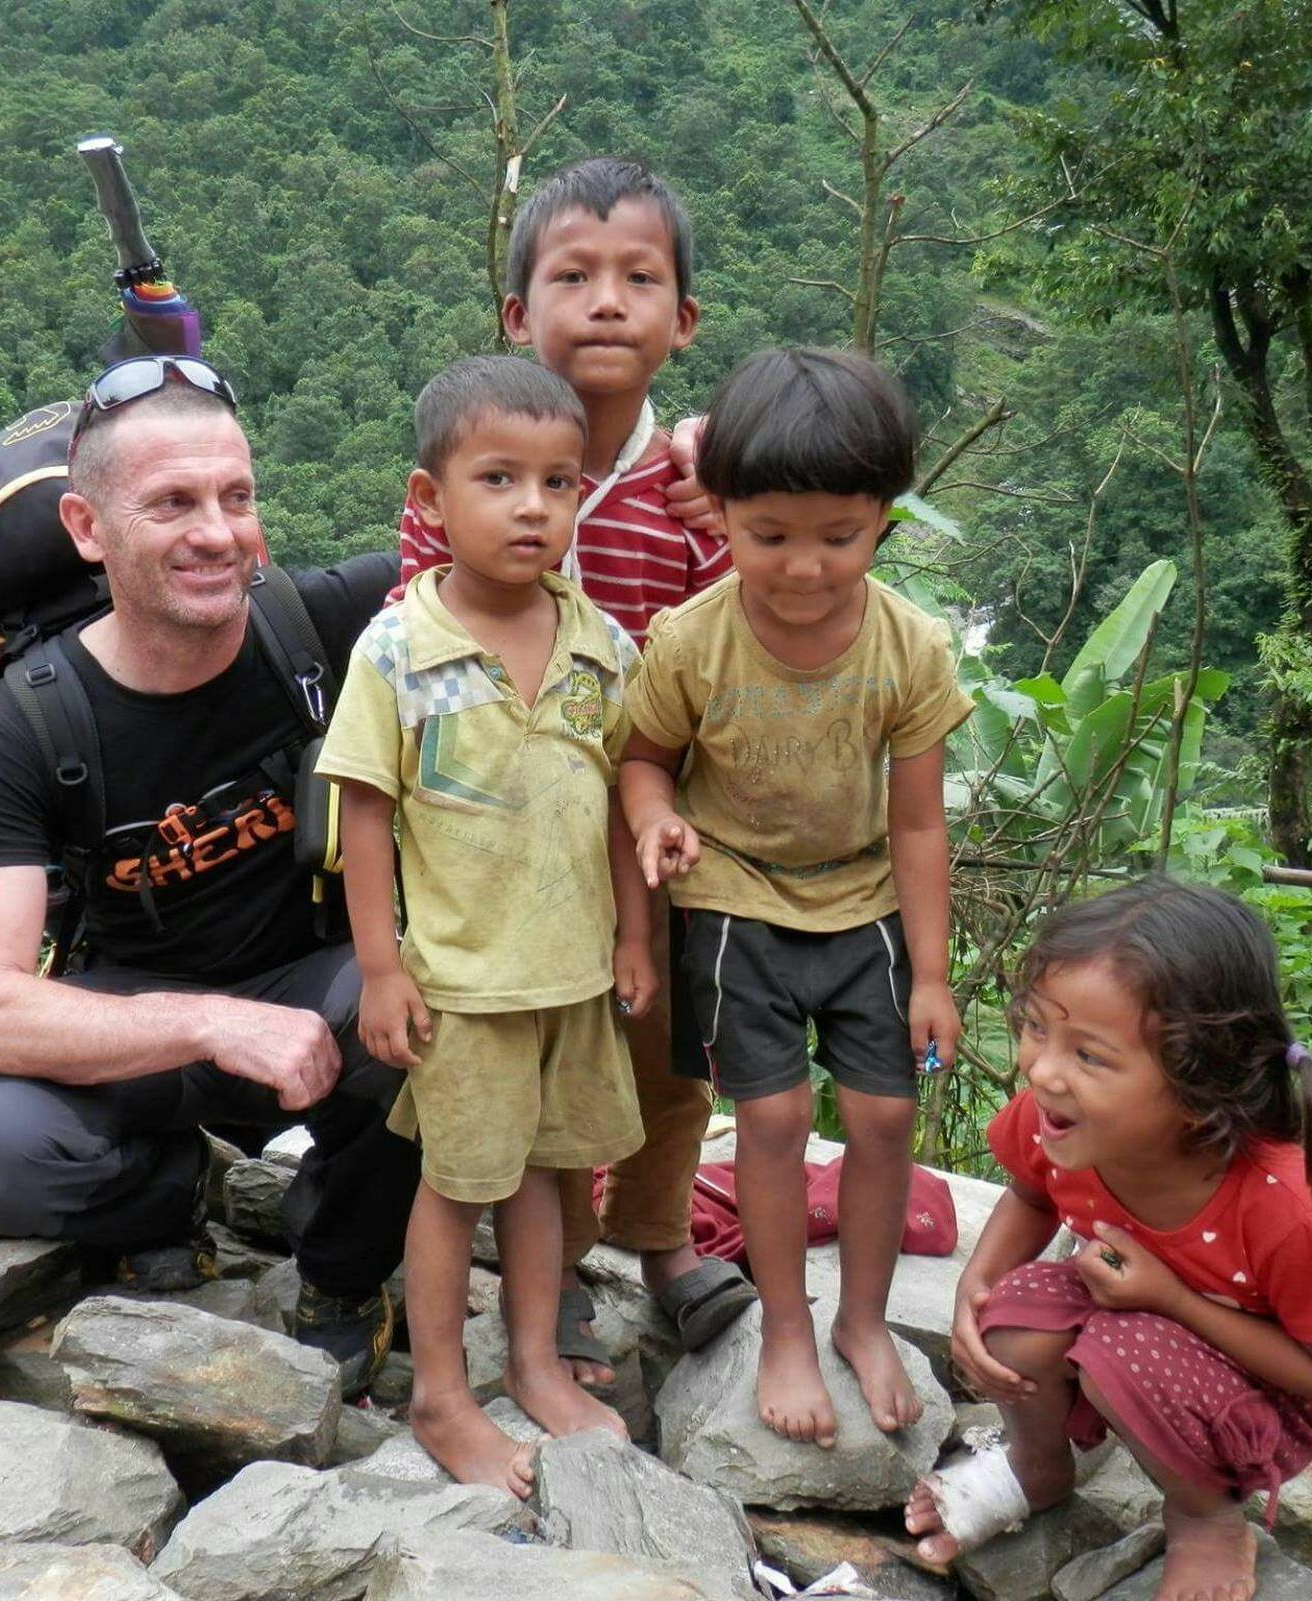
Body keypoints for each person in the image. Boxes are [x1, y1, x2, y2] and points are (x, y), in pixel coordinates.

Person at [0, 356, 420, 1395]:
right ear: (86, 528)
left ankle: (341, 1271)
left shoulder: (331, 619)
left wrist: (679, 465)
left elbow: (523, 515)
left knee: (432, 1011)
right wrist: (210, 1024)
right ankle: (163, 1200)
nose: (216, 532)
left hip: (324, 980)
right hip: (145, 1009)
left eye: (234, 497)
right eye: (171, 503)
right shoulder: (23, 727)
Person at [398, 156, 757, 1385]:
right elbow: (414, 622)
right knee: (514, 1044)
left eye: (639, 278)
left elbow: (734, 653)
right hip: (496, 829)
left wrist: (733, 521)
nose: (607, 300)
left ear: (683, 321)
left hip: (651, 818)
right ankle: (544, 1275)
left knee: (664, 1042)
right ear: (518, 314)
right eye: (572, 275)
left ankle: (654, 1238)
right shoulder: (471, 457)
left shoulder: (695, 484)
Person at [619, 347, 975, 1447]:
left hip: (861, 896)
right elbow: (643, 757)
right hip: (733, 894)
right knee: (769, 1117)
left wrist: (931, 975)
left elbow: (917, 820)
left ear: (882, 520)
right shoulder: (691, 638)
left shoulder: (908, 646)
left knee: (882, 1113)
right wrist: (654, 820)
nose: (805, 567)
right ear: (720, 511)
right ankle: (784, 1323)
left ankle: (863, 1322)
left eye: (840, 535)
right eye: (769, 535)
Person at [317, 354, 653, 1495]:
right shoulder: (397, 649)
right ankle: (443, 1395)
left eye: (558, 483)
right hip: (464, 979)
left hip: (569, 976)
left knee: (548, 1174)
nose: (531, 506)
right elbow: (364, 811)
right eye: (499, 478)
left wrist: (632, 939)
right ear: (430, 500)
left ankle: (537, 1363)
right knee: (458, 1184)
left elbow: (616, 801)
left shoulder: (599, 642)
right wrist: (380, 967)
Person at [903, 879, 1312, 1601]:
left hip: (1275, 1396)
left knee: (1119, 1354)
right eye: (1035, 1027)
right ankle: (1036, 1464)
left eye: (1089, 1055)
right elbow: (1032, 1191)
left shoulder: (1282, 1205)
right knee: (1013, 1313)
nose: (1041, 1069)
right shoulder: (1056, 1115)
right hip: (1137, 1312)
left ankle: (1208, 1517)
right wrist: (975, 1285)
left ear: (1197, 1085)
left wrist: (1173, 1297)